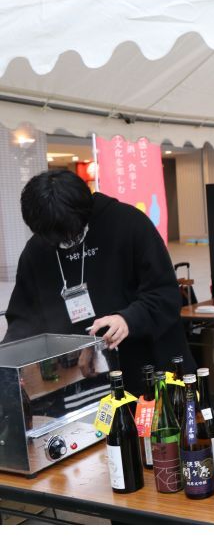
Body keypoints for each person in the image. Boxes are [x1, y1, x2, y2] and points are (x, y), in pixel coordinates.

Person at [3, 170, 192, 396]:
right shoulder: (37, 251)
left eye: (70, 233)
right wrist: (9, 362)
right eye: (56, 238)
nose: (65, 242)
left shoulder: (128, 224)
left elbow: (165, 294)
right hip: (78, 384)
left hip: (148, 371)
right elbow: (22, 319)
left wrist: (127, 319)